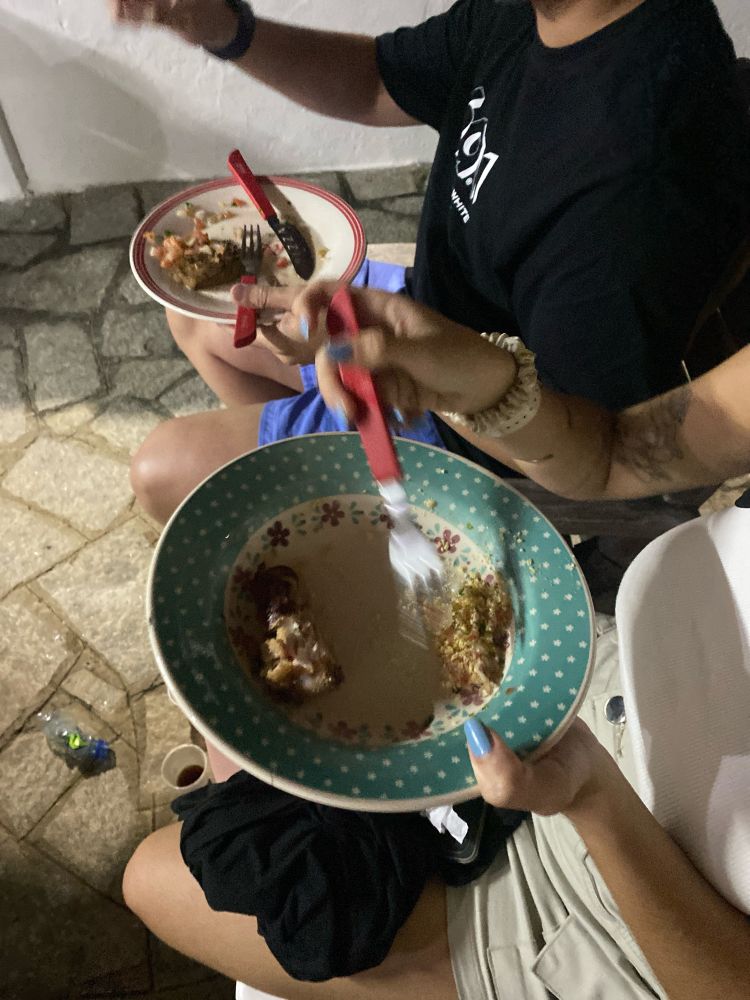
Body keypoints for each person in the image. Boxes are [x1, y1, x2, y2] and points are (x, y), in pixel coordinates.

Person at [122, 289, 750, 998]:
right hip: (616, 672)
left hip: (603, 914)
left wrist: (591, 793)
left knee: (154, 876)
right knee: (246, 710)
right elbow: (616, 456)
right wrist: (483, 385)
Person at [110, 0, 750, 524]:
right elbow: (375, 81)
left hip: (499, 435)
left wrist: (443, 377)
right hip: (431, 313)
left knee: (160, 474)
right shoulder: (535, 14)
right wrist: (228, 29)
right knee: (195, 315)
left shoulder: (633, 171)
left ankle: (338, 514)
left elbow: (590, 448)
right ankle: (313, 501)